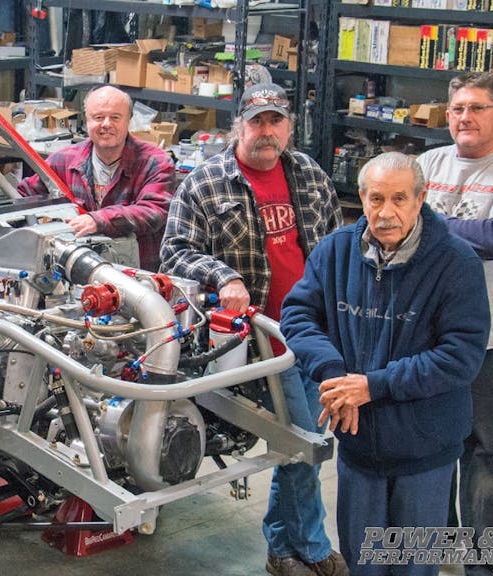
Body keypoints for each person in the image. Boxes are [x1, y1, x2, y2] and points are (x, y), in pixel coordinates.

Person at [160, 82, 347, 576]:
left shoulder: (309, 173)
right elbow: (173, 251)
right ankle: (314, 547)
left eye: (275, 121)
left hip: (313, 331)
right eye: (257, 121)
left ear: (289, 127)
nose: (266, 132)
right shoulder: (204, 182)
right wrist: (225, 276)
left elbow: (334, 246)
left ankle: (281, 550)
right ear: (238, 126)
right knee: (305, 441)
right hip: (259, 339)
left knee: (295, 445)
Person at [280, 152, 491, 576]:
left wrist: (373, 385)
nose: (386, 212)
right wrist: (333, 373)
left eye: (399, 199)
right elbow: (299, 315)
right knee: (362, 560)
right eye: (376, 199)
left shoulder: (456, 262)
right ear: (361, 197)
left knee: (413, 563)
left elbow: (460, 356)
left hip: (424, 450)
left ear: (420, 199)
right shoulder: (335, 251)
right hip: (359, 448)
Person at [416, 71, 493, 572]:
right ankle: (442, 552)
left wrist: (421, 222)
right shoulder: (426, 162)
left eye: (477, 108)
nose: (465, 117)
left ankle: (486, 566)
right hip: (425, 337)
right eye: (458, 108)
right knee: (432, 450)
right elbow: (385, 226)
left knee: (486, 456)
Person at [17, 84, 175, 271]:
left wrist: (98, 220)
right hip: (78, 272)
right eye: (98, 117)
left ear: (128, 121)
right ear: (87, 121)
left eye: (115, 117)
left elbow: (153, 212)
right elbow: (25, 195)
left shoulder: (155, 162)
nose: (106, 124)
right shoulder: (64, 160)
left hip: (138, 275)